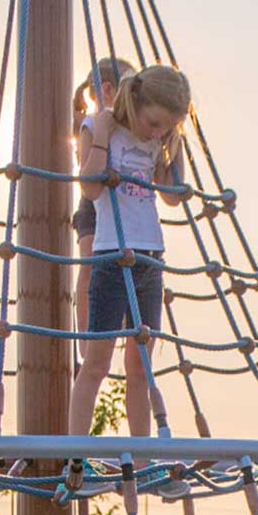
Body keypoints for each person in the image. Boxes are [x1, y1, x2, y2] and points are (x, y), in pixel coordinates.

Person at [67, 64, 191, 439]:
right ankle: (75, 453)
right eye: (154, 123)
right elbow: (90, 188)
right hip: (111, 256)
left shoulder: (157, 140)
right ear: (135, 101)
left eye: (166, 127)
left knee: (141, 367)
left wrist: (174, 143)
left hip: (150, 259)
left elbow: (173, 197)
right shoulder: (98, 127)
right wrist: (103, 135)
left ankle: (141, 458)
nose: (156, 132)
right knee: (96, 363)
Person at [68, 55, 134, 345]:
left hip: (124, 205)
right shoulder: (90, 125)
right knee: (91, 264)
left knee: (123, 265)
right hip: (94, 204)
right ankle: (87, 340)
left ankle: (113, 331)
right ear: (108, 89)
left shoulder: (130, 126)